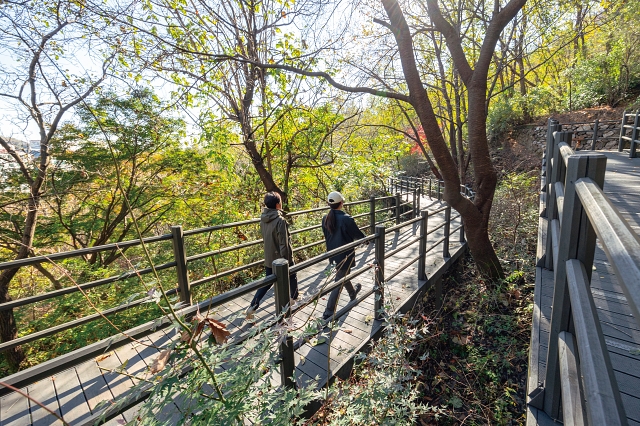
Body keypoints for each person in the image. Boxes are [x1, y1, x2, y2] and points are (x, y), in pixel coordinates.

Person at [246, 192, 299, 319]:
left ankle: (252, 306)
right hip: (281, 258)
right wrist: (287, 260)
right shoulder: (280, 220)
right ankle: (294, 298)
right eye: (280, 202)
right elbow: (283, 243)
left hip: (269, 256)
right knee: (293, 274)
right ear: (277, 205)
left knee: (267, 282)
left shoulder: (263, 218)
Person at [321, 191, 366, 320]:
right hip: (345, 255)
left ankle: (352, 293)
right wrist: (367, 240)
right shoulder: (346, 218)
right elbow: (357, 235)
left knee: (342, 275)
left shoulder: (325, 218)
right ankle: (328, 311)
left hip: (333, 254)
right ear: (341, 203)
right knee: (339, 280)